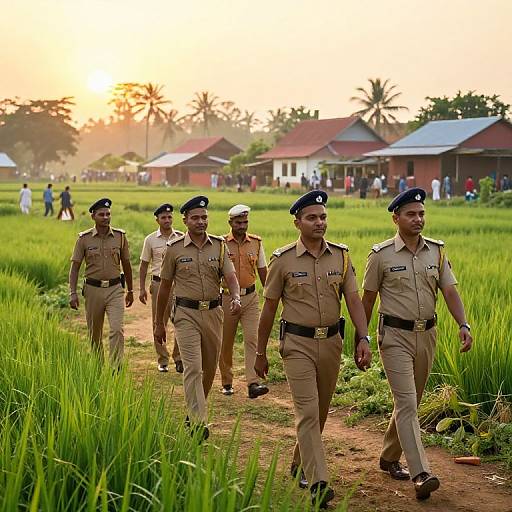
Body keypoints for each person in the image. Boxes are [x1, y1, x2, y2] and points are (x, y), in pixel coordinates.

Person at [255, 190, 371, 509]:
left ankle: (299, 463)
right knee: (307, 411)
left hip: (332, 342)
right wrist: (260, 352)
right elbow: (268, 309)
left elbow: (354, 300)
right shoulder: (283, 260)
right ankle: (319, 481)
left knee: (319, 412)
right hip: (296, 344)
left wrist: (363, 337)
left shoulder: (342, 256)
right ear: (297, 222)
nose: (319, 222)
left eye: (323, 217)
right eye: (312, 217)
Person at [361, 188, 473, 501]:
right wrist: (362, 337)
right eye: (411, 214)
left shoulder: (436, 252)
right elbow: (367, 299)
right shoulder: (381, 255)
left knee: (410, 401)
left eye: (421, 213)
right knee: (408, 402)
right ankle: (421, 472)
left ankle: (388, 456)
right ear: (396, 217)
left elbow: (450, 291)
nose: (418, 219)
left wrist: (463, 324)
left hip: (427, 336)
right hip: (394, 336)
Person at [154, 196, 241, 439]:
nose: (201, 222)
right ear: (185, 220)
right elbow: (164, 288)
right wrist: (159, 323)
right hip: (186, 314)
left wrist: (235, 297)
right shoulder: (174, 249)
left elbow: (231, 277)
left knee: (209, 369)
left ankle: (194, 410)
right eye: (195, 218)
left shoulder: (219, 246)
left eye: (204, 217)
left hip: (214, 313)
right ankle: (198, 420)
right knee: (193, 367)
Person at [69, 198, 134, 366]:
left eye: (108, 214)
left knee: (117, 329)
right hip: (92, 290)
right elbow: (75, 267)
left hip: (114, 289)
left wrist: (131, 291)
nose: (105, 217)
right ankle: (98, 366)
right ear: (93, 216)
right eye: (101, 214)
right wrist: (73, 293)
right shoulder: (83, 239)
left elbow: (126, 265)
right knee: (94, 334)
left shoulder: (120, 237)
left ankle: (115, 367)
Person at [219, 205, 269, 399]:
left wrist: (271, 296)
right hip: (226, 298)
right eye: (238, 222)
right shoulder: (221, 244)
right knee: (226, 342)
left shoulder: (256, 243)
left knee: (252, 339)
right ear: (230, 223)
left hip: (250, 298)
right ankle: (226, 381)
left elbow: (263, 271)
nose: (242, 226)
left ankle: (253, 383)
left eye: (245, 222)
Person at [139, 203, 183, 373]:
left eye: (170, 217)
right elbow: (143, 265)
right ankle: (162, 359)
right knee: (159, 322)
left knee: (181, 320)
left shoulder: (180, 237)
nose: (167, 220)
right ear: (157, 220)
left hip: (178, 284)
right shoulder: (150, 240)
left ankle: (178, 358)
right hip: (158, 284)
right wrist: (141, 289)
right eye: (163, 217)